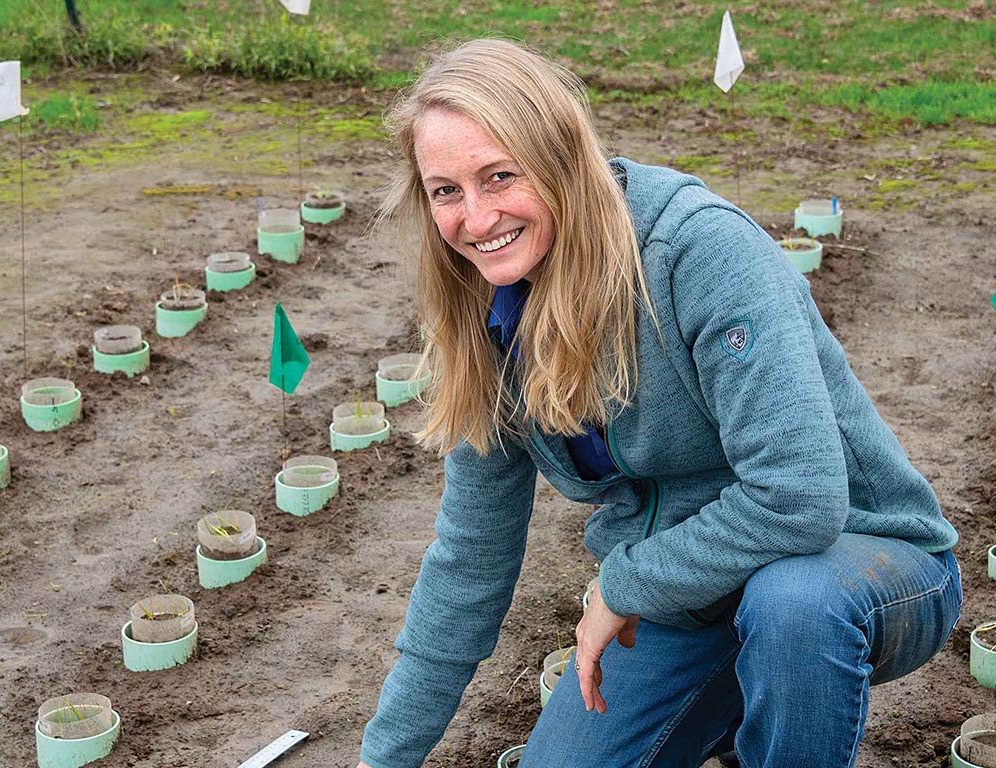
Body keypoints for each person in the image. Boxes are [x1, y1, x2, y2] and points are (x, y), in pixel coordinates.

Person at [356, 39, 961, 768]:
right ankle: (739, 710)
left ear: (562, 161)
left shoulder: (695, 252)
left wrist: (626, 581)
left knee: (792, 604)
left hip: (860, 566)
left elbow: (800, 497)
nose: (477, 219)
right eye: (446, 190)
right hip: (687, 596)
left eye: (500, 177)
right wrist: (382, 759)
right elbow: (470, 559)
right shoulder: (483, 313)